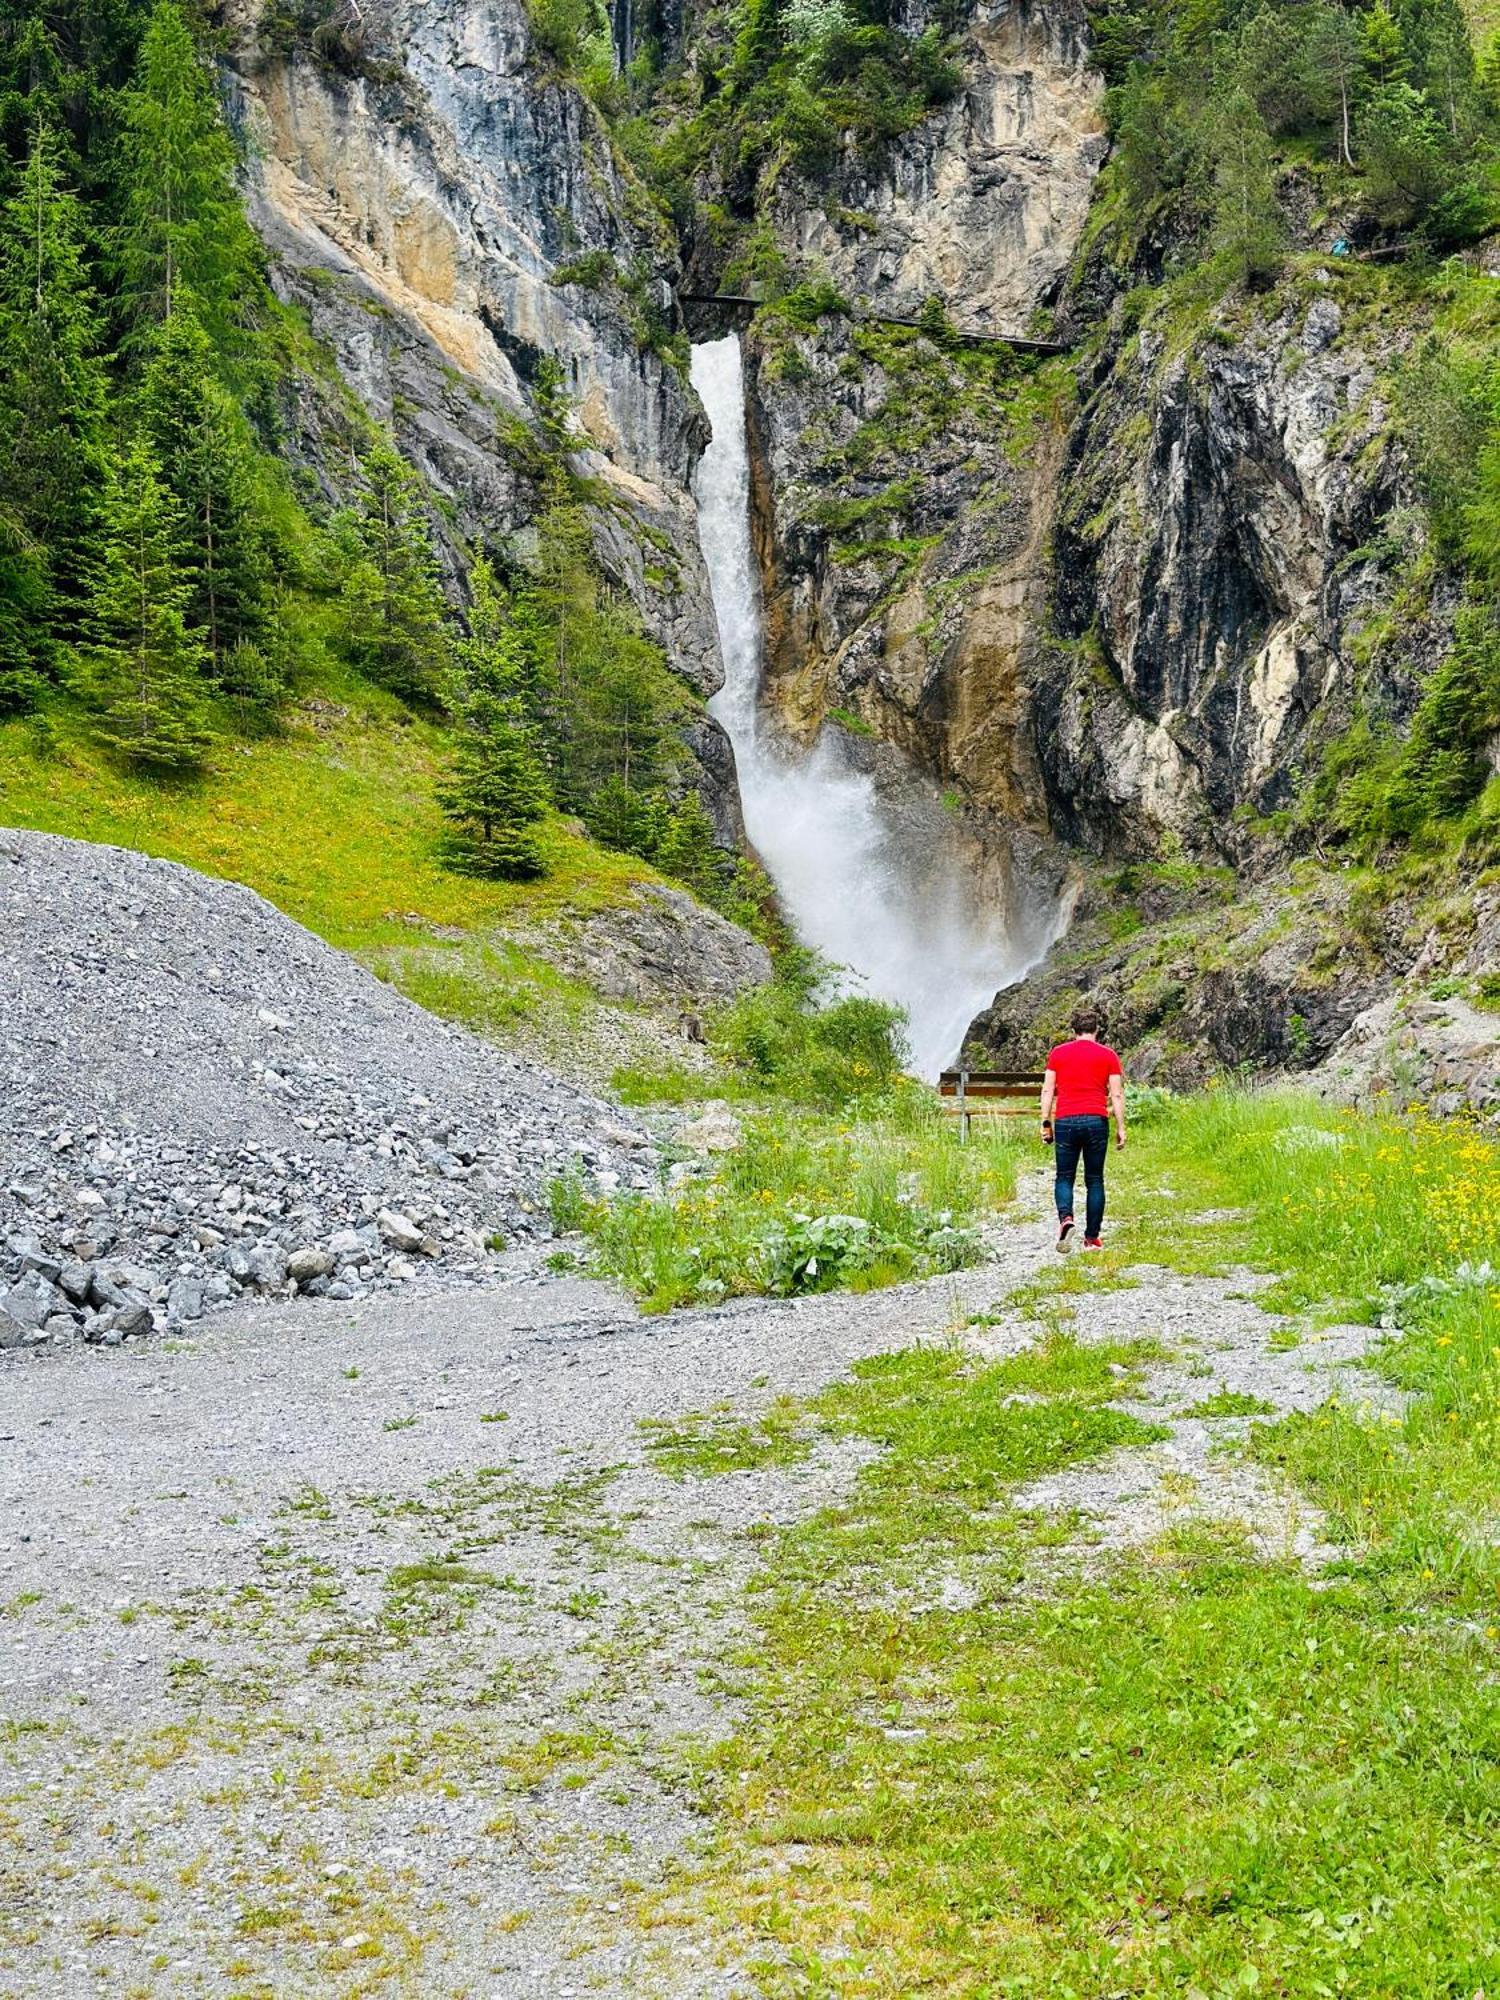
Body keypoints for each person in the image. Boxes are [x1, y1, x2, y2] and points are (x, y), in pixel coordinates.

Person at [1038, 1006, 1126, 1251]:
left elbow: (1047, 1090)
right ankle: (1092, 1238)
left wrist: (1045, 1121)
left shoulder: (1058, 1053)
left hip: (1066, 1120)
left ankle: (1066, 1219)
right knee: (1095, 1180)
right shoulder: (1108, 1055)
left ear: (1074, 1029)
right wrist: (1121, 1127)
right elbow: (1116, 1094)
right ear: (1097, 1029)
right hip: (1096, 1120)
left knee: (1064, 1176)